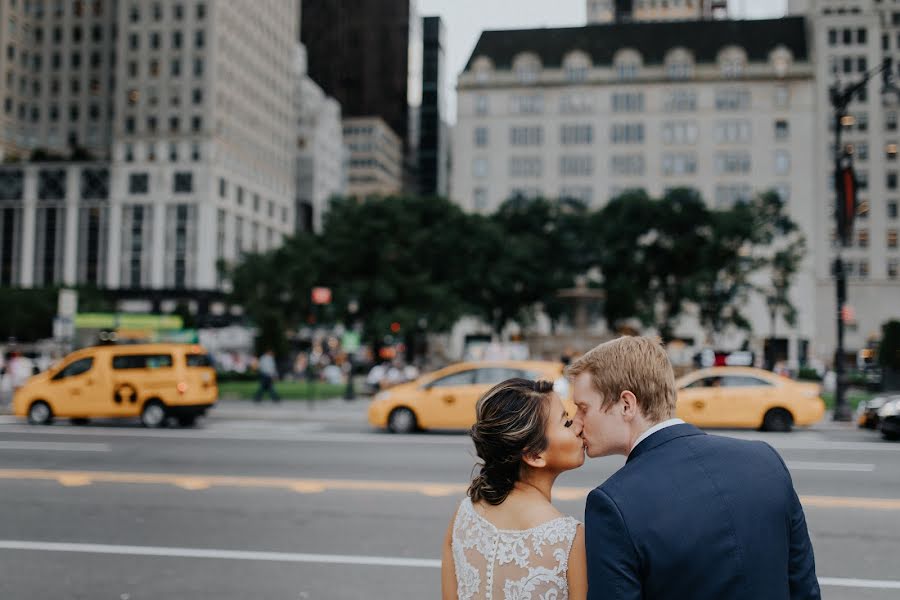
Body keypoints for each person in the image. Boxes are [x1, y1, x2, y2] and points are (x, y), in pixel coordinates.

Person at [568, 336, 820, 600]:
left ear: (627, 405)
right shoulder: (766, 461)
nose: (576, 422)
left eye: (583, 408)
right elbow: (805, 589)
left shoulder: (612, 504)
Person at [441, 379, 587, 600]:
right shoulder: (569, 539)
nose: (578, 426)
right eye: (565, 422)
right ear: (534, 455)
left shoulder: (463, 515)